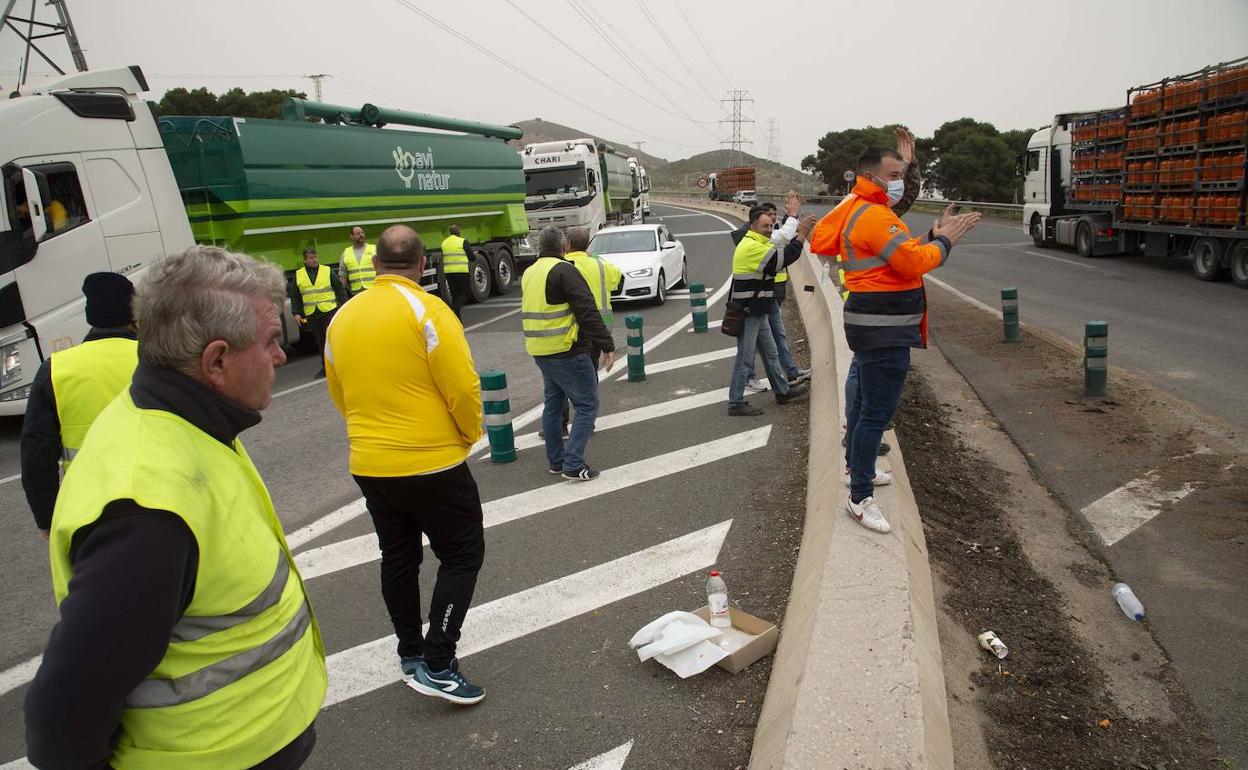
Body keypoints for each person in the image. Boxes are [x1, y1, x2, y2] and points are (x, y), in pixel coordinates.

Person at [25, 246, 327, 769]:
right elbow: (63, 714)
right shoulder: (147, 511)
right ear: (216, 361)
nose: (280, 357)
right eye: (271, 341)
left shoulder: (189, 421)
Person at [325, 224, 489, 706]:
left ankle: (411, 653)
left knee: (398, 558)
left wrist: (368, 434)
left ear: (374, 264)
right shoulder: (429, 309)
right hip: (432, 462)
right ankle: (439, 664)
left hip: (370, 462)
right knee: (461, 556)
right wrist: (468, 434)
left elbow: (339, 390)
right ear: (422, 266)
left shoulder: (342, 318)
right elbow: (461, 386)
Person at [811, 145, 980, 534]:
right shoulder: (873, 215)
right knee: (875, 413)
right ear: (870, 177)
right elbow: (914, 262)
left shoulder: (864, 211)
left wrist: (932, 234)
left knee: (863, 400)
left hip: (871, 323)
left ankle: (860, 468)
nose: (898, 181)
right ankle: (859, 496)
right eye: (892, 174)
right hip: (883, 327)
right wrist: (945, 243)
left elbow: (895, 253)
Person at [20, 272, 139, 539]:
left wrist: (47, 518)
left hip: (88, 510)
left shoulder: (56, 370)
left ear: (90, 316)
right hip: (163, 499)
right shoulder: (158, 359)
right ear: (135, 314)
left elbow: (36, 453)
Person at [521, 226, 615, 480]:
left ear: (541, 247)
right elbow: (587, 310)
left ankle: (556, 461)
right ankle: (572, 464)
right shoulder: (564, 271)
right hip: (568, 349)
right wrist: (607, 344)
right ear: (564, 247)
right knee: (587, 404)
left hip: (541, 351)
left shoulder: (530, 272)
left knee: (553, 405)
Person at [727, 207, 815, 416]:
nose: (769, 230)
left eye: (770, 226)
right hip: (748, 311)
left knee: (770, 352)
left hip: (758, 309)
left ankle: (782, 391)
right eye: (765, 226)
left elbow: (780, 247)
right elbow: (781, 259)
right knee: (745, 357)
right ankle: (735, 402)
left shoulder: (757, 242)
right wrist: (801, 235)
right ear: (752, 226)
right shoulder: (751, 247)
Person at [289, 246, 347, 379]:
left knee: (332, 340)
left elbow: (339, 289)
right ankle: (326, 368)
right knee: (320, 342)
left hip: (329, 311)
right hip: (313, 314)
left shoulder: (327, 271)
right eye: (311, 258)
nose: (314, 260)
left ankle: (339, 366)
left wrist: (342, 307)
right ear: (305, 260)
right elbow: (295, 296)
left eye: (315, 257)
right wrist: (296, 313)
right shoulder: (299, 275)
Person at [440, 224, 473, 318]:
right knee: (467, 294)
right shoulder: (463, 241)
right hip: (462, 271)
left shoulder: (444, 243)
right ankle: (455, 309)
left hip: (449, 272)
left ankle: (457, 319)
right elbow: (472, 258)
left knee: (455, 295)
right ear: (458, 231)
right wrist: (474, 255)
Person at [339, 226, 377, 295]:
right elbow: (343, 276)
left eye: (362, 233)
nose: (361, 235)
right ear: (351, 236)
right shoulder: (346, 253)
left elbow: (383, 270)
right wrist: (341, 294)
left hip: (374, 290)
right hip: (356, 293)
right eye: (358, 233)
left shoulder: (374, 249)